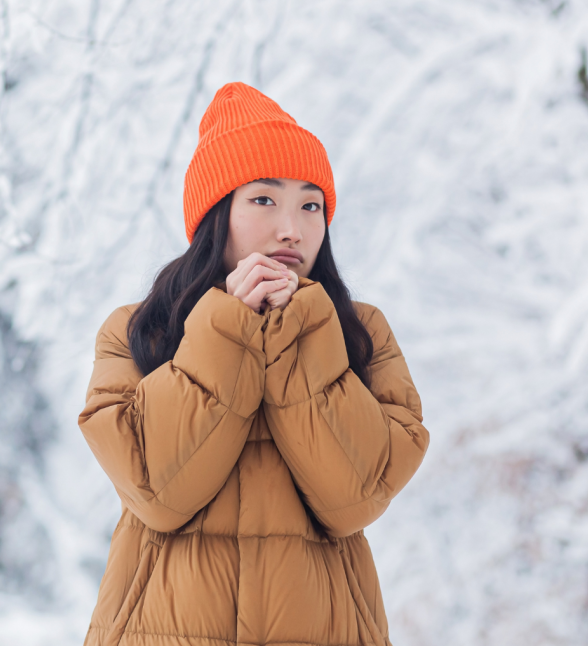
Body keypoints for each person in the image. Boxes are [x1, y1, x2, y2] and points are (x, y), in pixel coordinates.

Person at [78, 82, 429, 646]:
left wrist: (308, 331)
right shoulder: (139, 330)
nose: (291, 228)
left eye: (310, 205)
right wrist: (225, 330)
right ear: (216, 213)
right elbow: (157, 494)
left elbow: (354, 499)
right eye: (264, 199)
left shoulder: (361, 335)